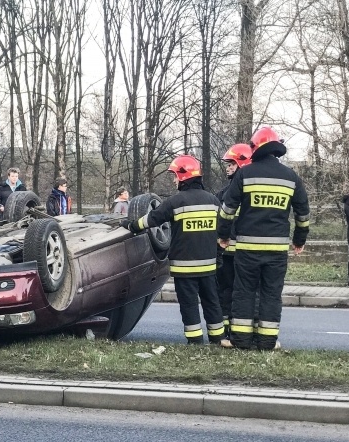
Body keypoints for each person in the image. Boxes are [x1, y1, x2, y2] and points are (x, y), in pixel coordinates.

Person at [217, 127, 310, 351]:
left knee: (244, 292)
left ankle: (241, 341)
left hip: (247, 247)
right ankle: (267, 342)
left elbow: (227, 209)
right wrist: (299, 239)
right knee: (271, 293)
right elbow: (303, 213)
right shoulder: (291, 176)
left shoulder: (245, 174)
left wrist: (223, 235)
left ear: (255, 149)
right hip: (277, 250)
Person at [122, 155, 224, 344]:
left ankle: (195, 342)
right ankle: (218, 338)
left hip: (184, 269)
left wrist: (131, 226)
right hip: (209, 267)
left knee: (189, 305)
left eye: (175, 176)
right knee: (212, 302)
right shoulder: (213, 201)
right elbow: (223, 230)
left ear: (183, 176)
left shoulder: (176, 202)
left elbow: (151, 220)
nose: (174, 180)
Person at [215, 143, 252, 341]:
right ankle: (230, 331)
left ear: (243, 164)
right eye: (228, 164)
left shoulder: (230, 194)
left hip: (234, 252)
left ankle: (231, 332)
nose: (228, 168)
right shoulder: (223, 193)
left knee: (231, 292)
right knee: (230, 292)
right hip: (234, 253)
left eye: (232, 164)